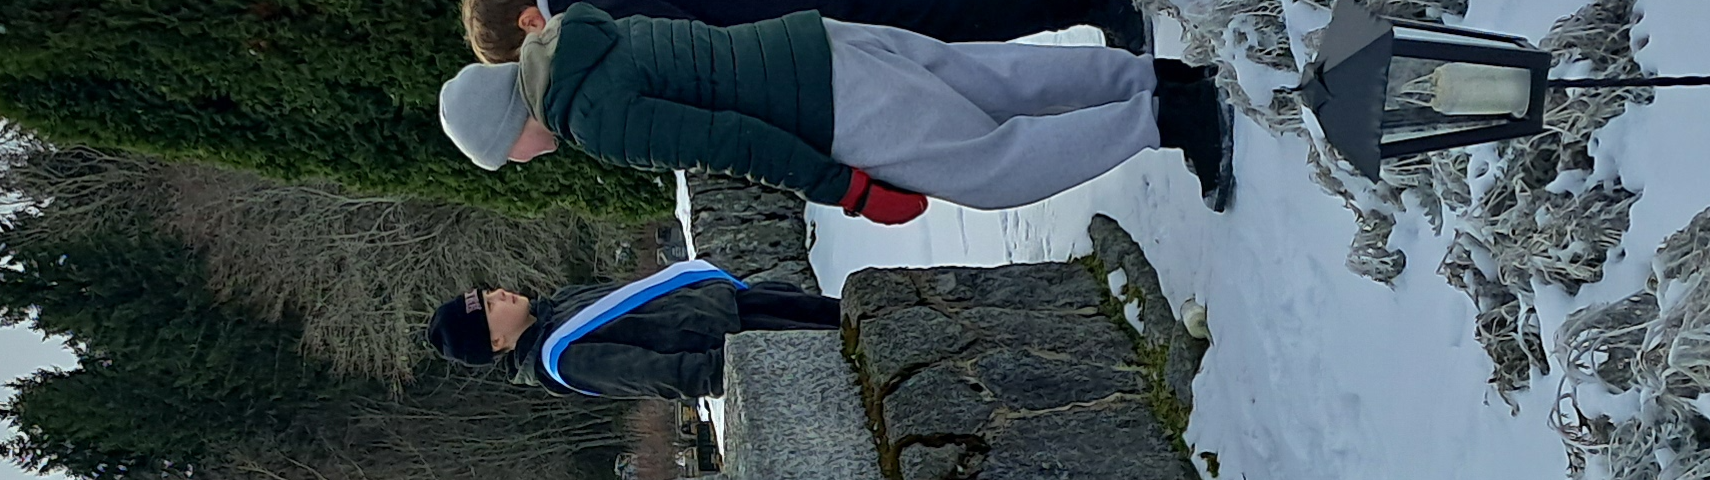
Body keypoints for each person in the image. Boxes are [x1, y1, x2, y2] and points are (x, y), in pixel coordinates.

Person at [436, 5, 1232, 221]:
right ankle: (1156, 78)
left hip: (827, 105)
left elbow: (732, 141)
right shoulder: (583, 37)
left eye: (509, 155)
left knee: (991, 170)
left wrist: (848, 191)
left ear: (511, 128)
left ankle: (1170, 118)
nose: (523, 161)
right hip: (813, 41)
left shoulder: (592, 117)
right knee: (993, 78)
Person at [425, 260, 838, 400]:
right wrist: (752, 360)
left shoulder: (561, 302)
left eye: (488, 293)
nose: (499, 294)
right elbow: (667, 375)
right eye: (490, 307)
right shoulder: (564, 360)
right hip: (742, 339)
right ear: (495, 342)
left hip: (734, 306)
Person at [461, 0, 1151, 63]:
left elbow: (689, 40)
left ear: (530, 22)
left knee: (940, 22)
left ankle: (1093, 3)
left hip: (784, 18)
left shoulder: (589, 16)